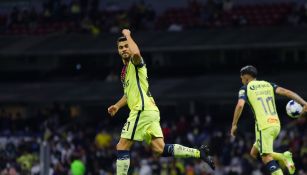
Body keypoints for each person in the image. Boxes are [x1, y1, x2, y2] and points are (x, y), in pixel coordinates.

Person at [107, 29, 215, 175]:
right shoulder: (125, 71)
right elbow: (128, 94)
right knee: (159, 149)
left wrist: (128, 35)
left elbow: (137, 53)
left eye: (126, 46)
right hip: (150, 111)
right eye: (121, 47)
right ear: (117, 51)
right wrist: (117, 106)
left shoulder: (135, 61)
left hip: (141, 109)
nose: (124, 49)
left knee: (122, 146)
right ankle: (199, 153)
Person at [230, 65, 307, 175]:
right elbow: (286, 92)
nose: (241, 80)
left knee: (265, 157)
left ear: (246, 77)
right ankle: (283, 156)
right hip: (275, 124)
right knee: (254, 152)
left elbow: (240, 106)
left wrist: (234, 125)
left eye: (241, 77)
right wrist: (304, 103)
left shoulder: (245, 89)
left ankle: (283, 161)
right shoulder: (268, 84)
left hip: (264, 126)